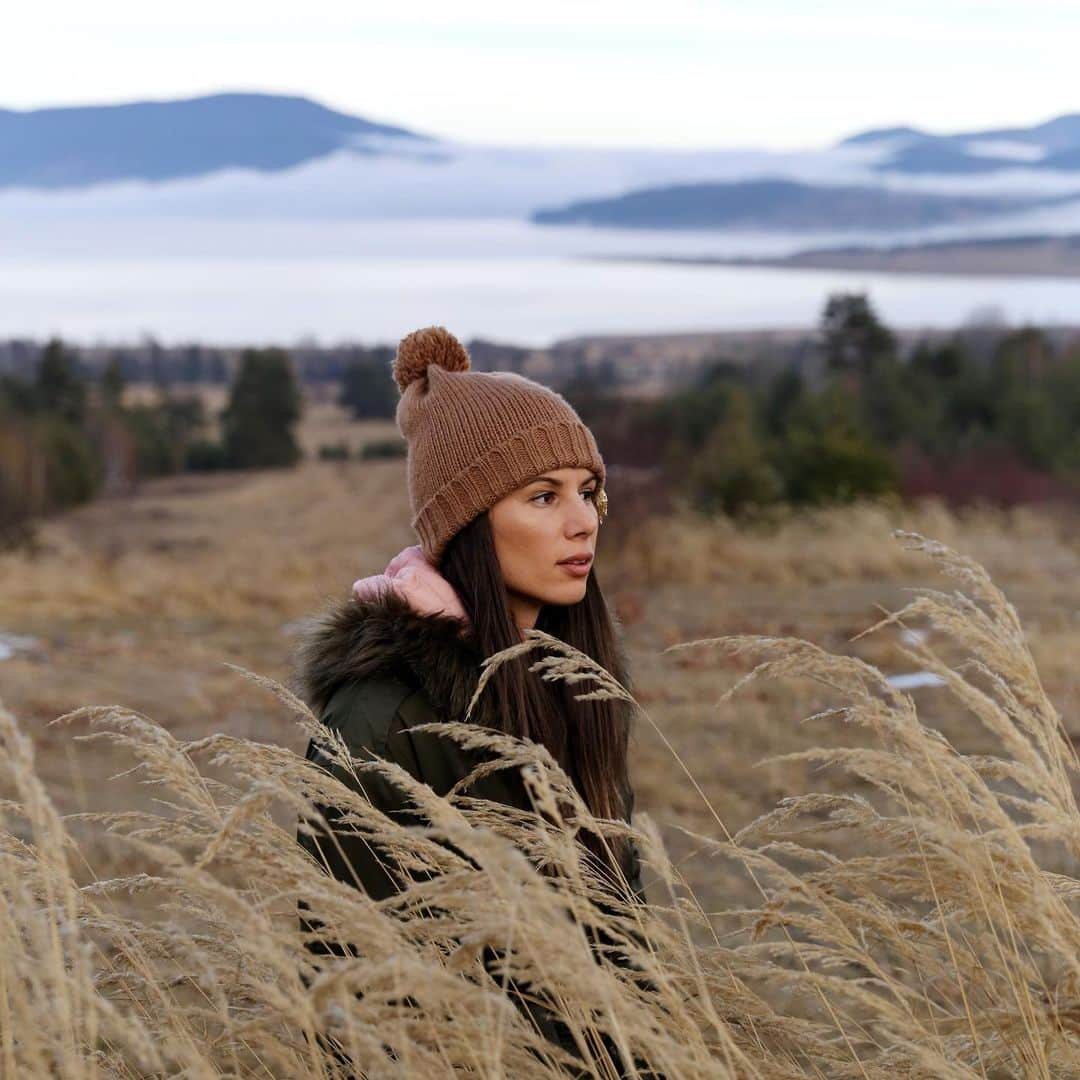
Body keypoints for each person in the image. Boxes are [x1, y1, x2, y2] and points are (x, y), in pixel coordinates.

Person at [292, 325, 652, 1075]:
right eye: (542, 496)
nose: (581, 520)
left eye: (587, 493)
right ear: (468, 525)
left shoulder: (571, 690)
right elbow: (350, 1002)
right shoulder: (381, 723)